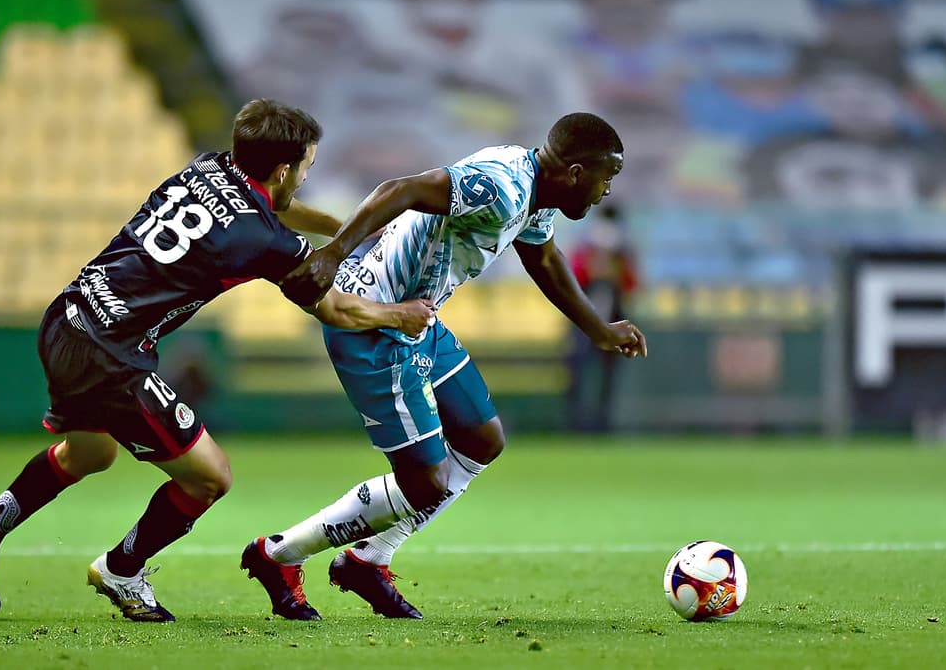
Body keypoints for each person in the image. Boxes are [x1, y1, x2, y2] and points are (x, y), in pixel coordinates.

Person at [0, 99, 435, 622]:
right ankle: (122, 570)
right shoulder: (263, 239)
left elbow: (271, 206)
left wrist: (341, 228)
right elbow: (333, 308)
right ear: (284, 168)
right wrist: (398, 315)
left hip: (69, 317)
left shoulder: (208, 167)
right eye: (307, 167)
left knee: (89, 454)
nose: (306, 177)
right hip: (112, 355)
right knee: (209, 477)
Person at [240, 112, 647, 621]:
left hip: (418, 321)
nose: (607, 190)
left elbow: (541, 258)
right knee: (424, 483)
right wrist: (333, 254)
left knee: (482, 439)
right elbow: (402, 188)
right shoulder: (502, 188)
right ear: (574, 172)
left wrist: (600, 329)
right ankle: (278, 554)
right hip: (376, 325)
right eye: (606, 176)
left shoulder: (534, 190)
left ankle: (369, 558)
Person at [566, 203, 640, 433]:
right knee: (578, 371)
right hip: (584, 320)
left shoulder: (623, 254)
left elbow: (631, 285)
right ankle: (576, 422)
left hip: (613, 318)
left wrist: (614, 267)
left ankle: (602, 422)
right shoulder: (585, 249)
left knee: (607, 376)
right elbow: (572, 279)